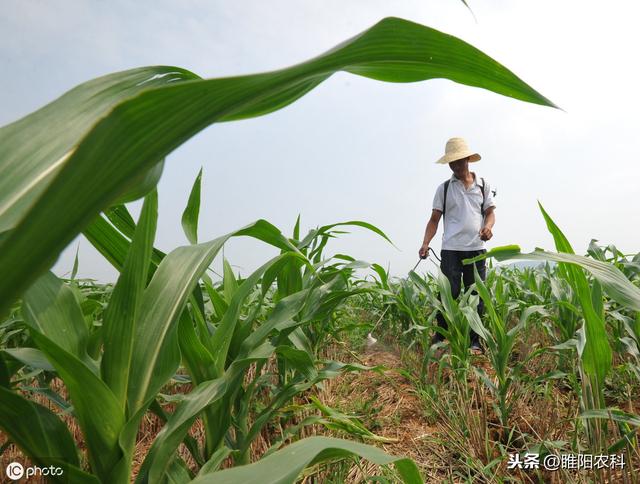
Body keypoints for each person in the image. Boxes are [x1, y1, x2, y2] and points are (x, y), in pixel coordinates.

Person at [418, 137, 496, 354]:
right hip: (451, 250)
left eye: (459, 160)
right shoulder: (443, 189)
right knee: (448, 293)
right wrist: (425, 243)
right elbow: (434, 220)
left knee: (476, 296)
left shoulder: (483, 186)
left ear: (468, 160)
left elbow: (490, 214)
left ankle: (475, 341)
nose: (455, 165)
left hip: (476, 249)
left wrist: (488, 228)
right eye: (451, 162)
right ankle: (441, 336)